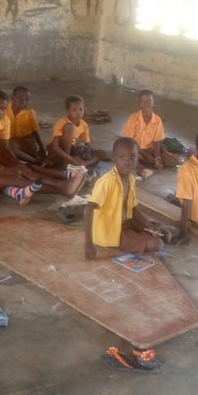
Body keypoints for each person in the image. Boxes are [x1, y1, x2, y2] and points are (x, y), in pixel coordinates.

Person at [84, 137, 167, 373]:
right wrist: (88, 244)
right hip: (109, 235)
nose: (128, 161)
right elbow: (88, 210)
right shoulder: (106, 182)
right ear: (114, 158)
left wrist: (147, 225)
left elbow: (133, 208)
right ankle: (141, 242)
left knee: (155, 235)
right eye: (122, 157)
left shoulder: (130, 179)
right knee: (156, 244)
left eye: (133, 157)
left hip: (123, 225)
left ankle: (144, 238)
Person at [121, 90, 180, 175]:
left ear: (153, 103)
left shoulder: (157, 120)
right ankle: (142, 168)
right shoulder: (133, 118)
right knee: (129, 158)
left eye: (149, 101)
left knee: (173, 160)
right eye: (143, 101)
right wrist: (139, 152)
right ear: (139, 104)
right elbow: (128, 141)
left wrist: (157, 158)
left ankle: (150, 163)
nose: (146, 104)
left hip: (152, 150)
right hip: (136, 149)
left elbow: (157, 142)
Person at [47, 95, 106, 169]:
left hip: (72, 150)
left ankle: (80, 164)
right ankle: (67, 163)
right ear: (68, 112)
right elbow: (54, 146)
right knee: (70, 127)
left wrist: (89, 154)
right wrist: (71, 159)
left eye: (81, 109)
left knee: (101, 153)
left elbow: (87, 145)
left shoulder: (84, 124)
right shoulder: (61, 122)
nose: (78, 113)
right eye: (74, 110)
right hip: (57, 152)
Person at [6, 86, 47, 165]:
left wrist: (42, 148)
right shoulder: (5, 108)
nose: (23, 102)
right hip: (11, 142)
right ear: (12, 97)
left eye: (26, 99)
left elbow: (35, 132)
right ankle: (29, 161)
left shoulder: (29, 113)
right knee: (5, 148)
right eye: (20, 98)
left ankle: (35, 161)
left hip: (26, 142)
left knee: (9, 146)